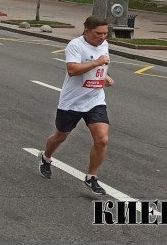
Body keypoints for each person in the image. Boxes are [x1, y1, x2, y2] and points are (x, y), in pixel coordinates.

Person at [38, 16, 114, 195]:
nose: (102, 37)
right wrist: (97, 63)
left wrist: (104, 77)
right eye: (98, 33)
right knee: (60, 135)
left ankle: (91, 177)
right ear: (87, 29)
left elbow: (100, 66)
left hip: (95, 99)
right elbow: (72, 70)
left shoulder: (104, 44)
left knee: (102, 139)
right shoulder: (75, 45)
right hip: (72, 101)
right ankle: (46, 157)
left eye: (105, 33)